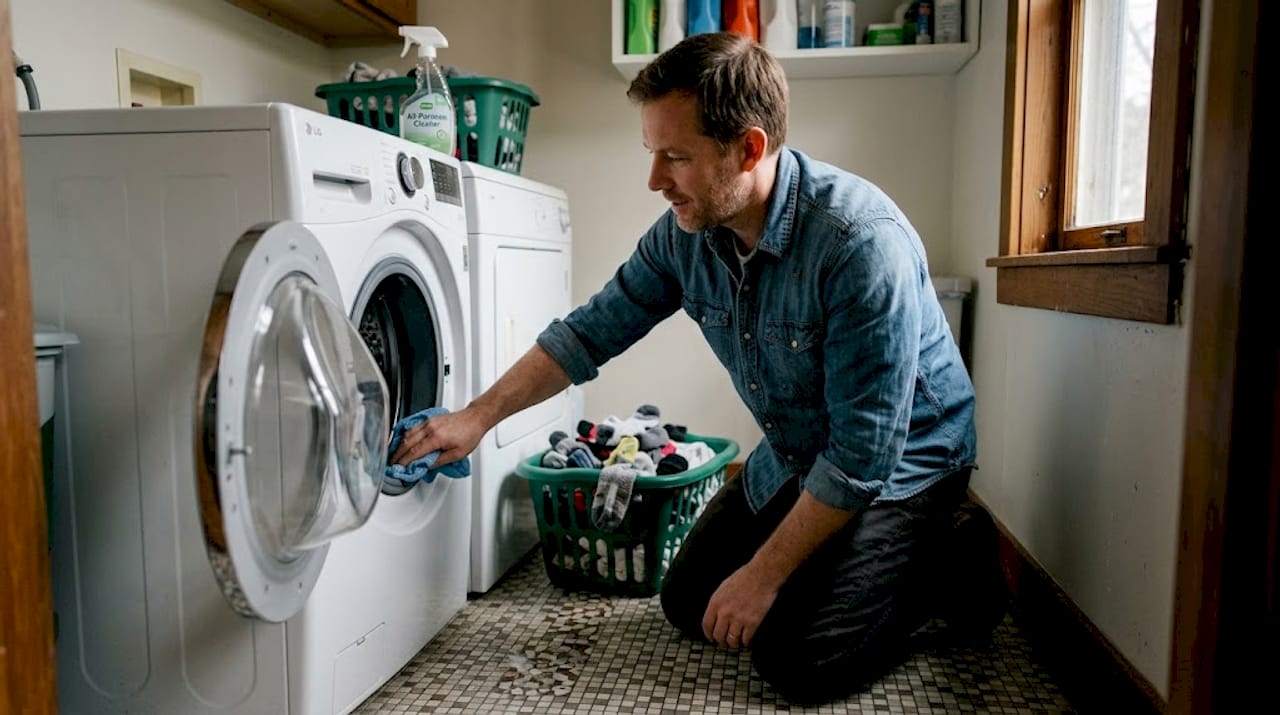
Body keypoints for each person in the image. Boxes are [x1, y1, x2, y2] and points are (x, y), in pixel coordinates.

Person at [390, 31, 1005, 703]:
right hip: (801, 449)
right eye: (652, 153)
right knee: (690, 601)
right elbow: (588, 333)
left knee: (797, 658)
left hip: (907, 464)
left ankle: (948, 555)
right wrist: (475, 418)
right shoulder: (687, 236)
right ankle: (843, 564)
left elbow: (862, 457)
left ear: (749, 148)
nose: (655, 180)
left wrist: (766, 576)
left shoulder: (860, 245)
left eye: (674, 157)